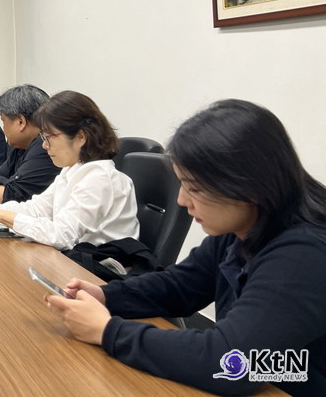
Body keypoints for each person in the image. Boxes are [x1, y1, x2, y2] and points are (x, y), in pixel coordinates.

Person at [45, 99, 326, 396]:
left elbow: (233, 362)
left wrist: (107, 331)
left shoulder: (305, 253)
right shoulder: (248, 222)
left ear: (246, 186)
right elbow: (182, 285)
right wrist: (105, 295)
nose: (181, 200)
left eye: (194, 187)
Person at [0, 90, 138, 250]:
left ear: (80, 137)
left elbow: (63, 235)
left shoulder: (98, 177)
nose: (45, 146)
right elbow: (37, 208)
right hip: (73, 261)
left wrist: (1, 215)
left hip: (100, 271)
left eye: (49, 138)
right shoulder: (73, 169)